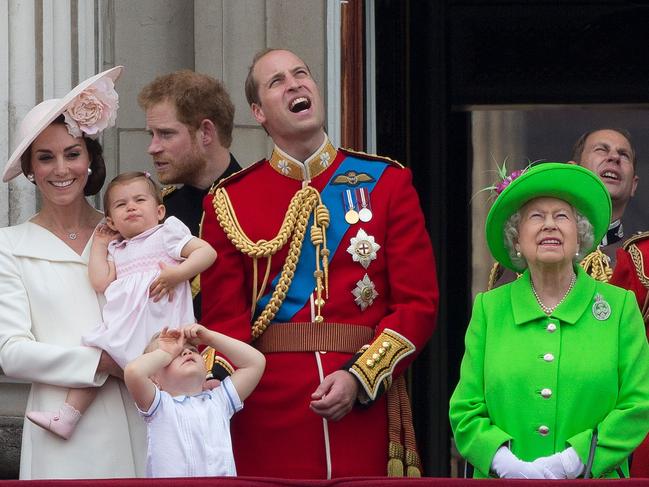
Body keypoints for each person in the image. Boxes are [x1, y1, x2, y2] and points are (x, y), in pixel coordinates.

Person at [200, 48, 439, 479]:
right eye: (276, 82)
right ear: (258, 112)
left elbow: (417, 304)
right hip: (265, 413)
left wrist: (359, 377)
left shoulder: (386, 182)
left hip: (362, 406)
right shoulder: (230, 200)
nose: (294, 84)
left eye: (301, 74)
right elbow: (223, 324)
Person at [450, 162, 649, 479]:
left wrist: (571, 462)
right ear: (516, 239)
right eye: (536, 217)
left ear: (580, 235)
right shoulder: (490, 309)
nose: (550, 225)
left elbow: (638, 406)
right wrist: (506, 465)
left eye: (561, 216)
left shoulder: (619, 307)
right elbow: (465, 409)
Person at [0, 67, 147, 479]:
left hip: (140, 415)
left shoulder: (126, 233)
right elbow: (12, 352)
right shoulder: (9, 246)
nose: (60, 168)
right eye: (45, 158)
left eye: (72, 153)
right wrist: (102, 361)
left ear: (90, 160)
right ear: (30, 170)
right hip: (61, 431)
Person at [25, 171, 217, 440]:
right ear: (111, 221)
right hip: (127, 330)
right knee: (96, 356)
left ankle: (199, 410)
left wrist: (179, 274)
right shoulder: (118, 248)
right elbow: (99, 281)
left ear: (160, 210)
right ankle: (68, 415)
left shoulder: (168, 234)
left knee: (175, 375)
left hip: (162, 328)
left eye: (140, 200)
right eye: (121, 204)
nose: (131, 207)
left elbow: (207, 252)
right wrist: (100, 245)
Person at [138, 71, 241, 321]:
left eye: (166, 134)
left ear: (205, 132)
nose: (153, 148)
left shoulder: (257, 200)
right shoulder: (161, 211)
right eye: (151, 135)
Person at [487, 128, 639, 288]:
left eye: (624, 154)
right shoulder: (525, 254)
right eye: (601, 149)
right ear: (574, 169)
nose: (615, 157)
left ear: (634, 185)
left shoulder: (641, 258)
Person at [124, 324, 265, 478]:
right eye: (176, 355)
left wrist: (210, 338)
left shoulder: (219, 401)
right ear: (154, 380)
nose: (185, 351)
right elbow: (133, 372)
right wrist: (165, 353)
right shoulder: (159, 406)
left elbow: (255, 363)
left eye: (193, 350)